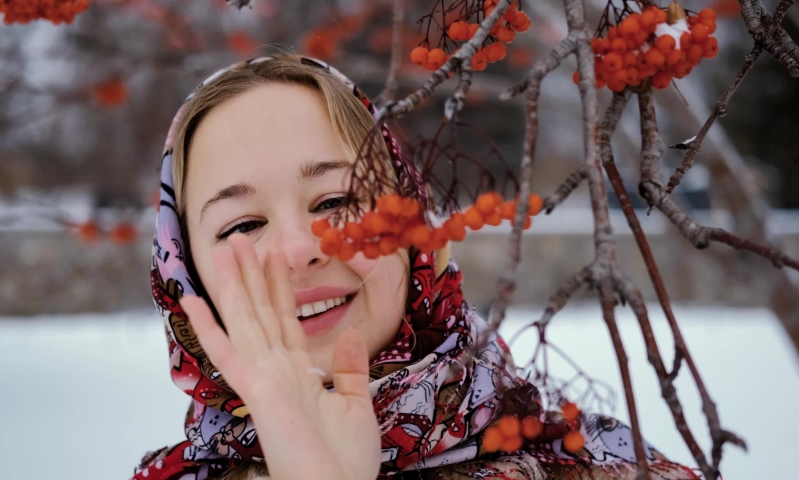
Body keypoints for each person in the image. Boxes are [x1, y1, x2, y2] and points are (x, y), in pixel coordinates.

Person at [135, 54, 699, 480]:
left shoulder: (603, 468)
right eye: (241, 226)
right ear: (185, 274)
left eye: (335, 201)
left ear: (415, 230)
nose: (298, 249)